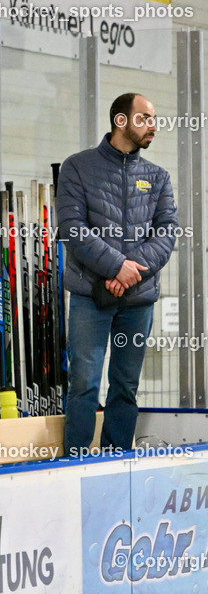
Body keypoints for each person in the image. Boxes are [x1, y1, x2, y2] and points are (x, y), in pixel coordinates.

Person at [58, 92, 177, 454]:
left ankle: (117, 460)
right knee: (84, 384)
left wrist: (129, 273)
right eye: (144, 118)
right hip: (89, 297)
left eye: (154, 119)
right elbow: (73, 227)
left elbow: (167, 231)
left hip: (138, 299)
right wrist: (116, 266)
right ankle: (75, 463)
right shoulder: (77, 167)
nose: (152, 126)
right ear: (121, 122)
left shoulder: (158, 177)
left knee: (125, 385)